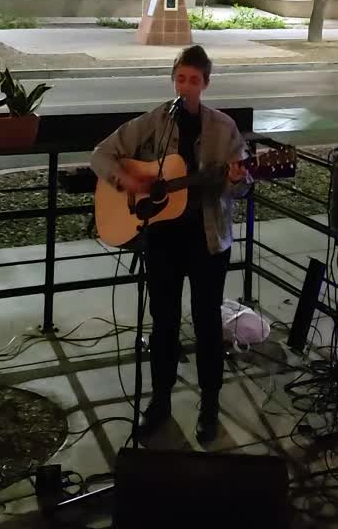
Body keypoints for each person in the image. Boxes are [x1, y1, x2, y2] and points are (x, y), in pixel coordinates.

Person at [91, 44, 250, 444]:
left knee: (207, 323)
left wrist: (237, 180)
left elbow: (242, 187)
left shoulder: (224, 128)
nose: (186, 87)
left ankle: (209, 405)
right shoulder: (155, 121)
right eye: (180, 79)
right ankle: (160, 400)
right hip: (163, 238)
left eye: (194, 80)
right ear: (173, 80)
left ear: (206, 84)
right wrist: (128, 180)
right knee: (163, 322)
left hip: (208, 240)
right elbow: (101, 155)